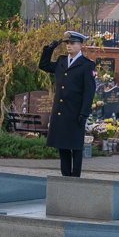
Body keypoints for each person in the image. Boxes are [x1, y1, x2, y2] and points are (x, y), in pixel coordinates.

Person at [39, 31, 94, 178]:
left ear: (80, 45)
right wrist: (49, 49)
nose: (69, 46)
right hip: (60, 111)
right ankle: (65, 177)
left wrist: (84, 113)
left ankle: (75, 177)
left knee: (75, 147)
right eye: (67, 43)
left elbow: (89, 91)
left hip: (75, 112)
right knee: (62, 146)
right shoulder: (62, 61)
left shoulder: (86, 65)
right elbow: (43, 65)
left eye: (72, 43)